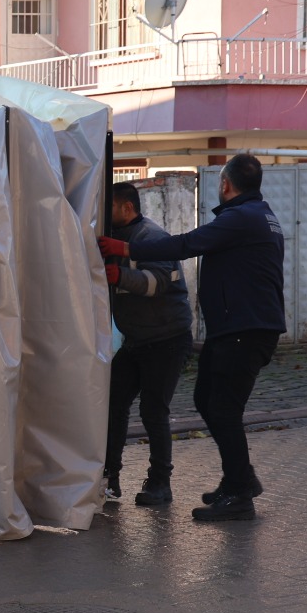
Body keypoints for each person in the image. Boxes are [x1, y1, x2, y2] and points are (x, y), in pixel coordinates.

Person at [98, 153, 285, 523]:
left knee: (222, 409)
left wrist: (127, 250)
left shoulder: (240, 218)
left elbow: (186, 244)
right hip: (233, 330)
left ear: (225, 184)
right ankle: (240, 478)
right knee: (205, 399)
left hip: (244, 331)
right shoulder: (258, 216)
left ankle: (239, 494)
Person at [102, 181, 194, 507]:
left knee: (153, 411)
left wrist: (119, 276)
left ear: (127, 208)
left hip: (168, 339)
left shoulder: (153, 238)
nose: (104, 213)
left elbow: (156, 284)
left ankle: (160, 484)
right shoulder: (114, 238)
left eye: (109, 206)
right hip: (137, 340)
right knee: (111, 402)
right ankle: (108, 478)